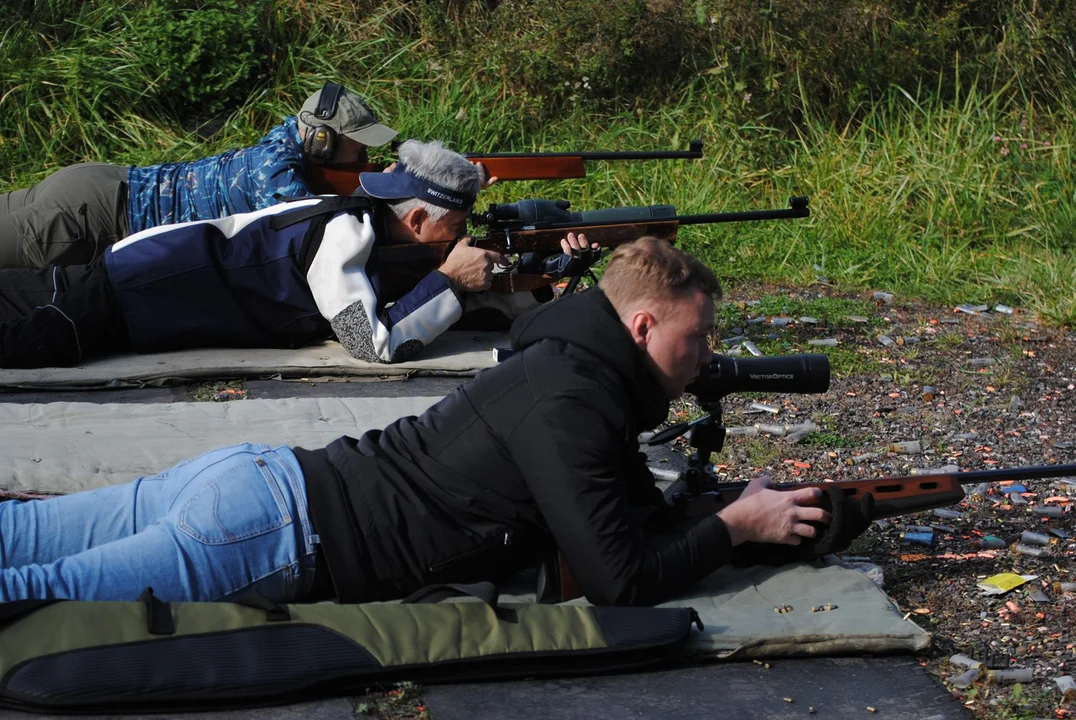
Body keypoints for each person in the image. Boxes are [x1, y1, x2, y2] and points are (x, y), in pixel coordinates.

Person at [0, 237, 873, 604]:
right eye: (698, 334)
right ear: (643, 326)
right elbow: (623, 580)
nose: (707, 351)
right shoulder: (573, 400)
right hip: (271, 536)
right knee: (32, 592)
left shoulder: (556, 361)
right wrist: (735, 523)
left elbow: (618, 509)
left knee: (22, 537)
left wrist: (732, 517)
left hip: (258, 479)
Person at [0, 138, 586, 369]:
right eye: (455, 226)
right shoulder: (345, 235)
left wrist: (545, 277)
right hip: (127, 294)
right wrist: (454, 282)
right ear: (414, 218)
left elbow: (412, 299)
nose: (461, 237)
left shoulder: (368, 228)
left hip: (130, 279)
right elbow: (370, 342)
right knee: (21, 348)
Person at [0, 82, 398, 269]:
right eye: (358, 145)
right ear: (321, 140)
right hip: (93, 221)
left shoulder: (279, 143)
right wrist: (389, 191)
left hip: (95, 185)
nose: (365, 154)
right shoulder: (274, 174)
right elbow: (322, 232)